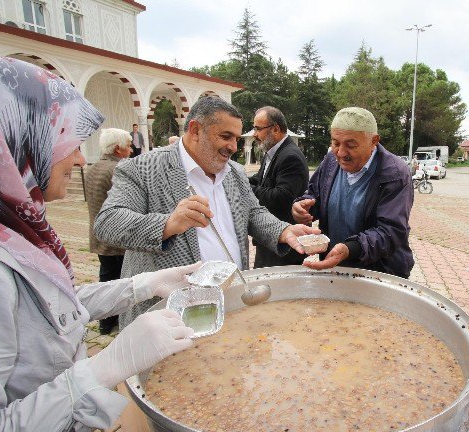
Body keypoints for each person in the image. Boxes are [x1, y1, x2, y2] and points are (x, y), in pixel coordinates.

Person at [0, 56, 199, 432]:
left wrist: (144, 284)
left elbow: (53, 309)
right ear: (17, 137)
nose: (79, 158)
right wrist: (105, 367)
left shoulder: (15, 228)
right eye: (65, 142)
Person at [95, 96, 320, 329]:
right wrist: (168, 224)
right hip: (169, 315)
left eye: (235, 137)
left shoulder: (234, 171)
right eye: (225, 136)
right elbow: (108, 223)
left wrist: (282, 230)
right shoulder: (142, 168)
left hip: (230, 305)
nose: (233, 147)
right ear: (195, 130)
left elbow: (252, 212)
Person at [292, 107, 414, 278]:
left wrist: (351, 248)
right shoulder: (331, 161)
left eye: (351, 145)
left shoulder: (395, 174)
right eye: (335, 143)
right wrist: (303, 208)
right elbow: (314, 195)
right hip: (335, 266)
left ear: (374, 141)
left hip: (379, 272)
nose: (341, 153)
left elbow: (391, 231)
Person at [84, 128, 133, 334]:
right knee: (120, 283)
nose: (131, 150)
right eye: (128, 145)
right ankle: (119, 321)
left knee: (106, 278)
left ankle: (105, 323)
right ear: (118, 149)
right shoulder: (117, 170)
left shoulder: (93, 168)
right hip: (117, 239)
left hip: (99, 235)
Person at [248, 106, 309, 267]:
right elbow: (260, 180)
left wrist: (246, 190)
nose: (255, 134)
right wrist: (241, 181)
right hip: (272, 241)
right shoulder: (273, 152)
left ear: (275, 129)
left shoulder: (290, 156)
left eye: (258, 129)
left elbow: (281, 197)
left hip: (284, 247)